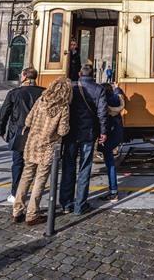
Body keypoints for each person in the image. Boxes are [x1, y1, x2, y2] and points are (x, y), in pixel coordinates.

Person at [59, 64, 119, 214]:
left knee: (68, 167)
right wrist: (103, 132)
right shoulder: (98, 89)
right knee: (85, 168)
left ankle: (66, 204)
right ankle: (80, 205)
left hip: (71, 133)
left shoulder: (71, 87)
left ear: (79, 73)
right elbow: (102, 114)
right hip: (88, 134)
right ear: (93, 75)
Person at [12, 77, 71, 226]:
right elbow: (63, 131)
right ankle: (32, 214)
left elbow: (28, 121)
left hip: (32, 143)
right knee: (40, 180)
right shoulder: (63, 107)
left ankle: (17, 210)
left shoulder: (41, 100)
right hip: (48, 147)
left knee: (26, 176)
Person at [0, 67, 45, 204]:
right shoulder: (44, 93)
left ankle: (15, 192)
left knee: (18, 163)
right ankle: (34, 192)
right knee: (35, 164)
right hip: (38, 133)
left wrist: (1, 130)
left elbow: (4, 113)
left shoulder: (14, 93)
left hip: (18, 133)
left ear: (24, 76)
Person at [100, 82, 125, 202]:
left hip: (107, 136)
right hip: (118, 134)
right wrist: (117, 88)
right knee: (110, 162)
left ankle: (113, 191)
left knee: (110, 163)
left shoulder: (104, 103)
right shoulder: (117, 99)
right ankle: (113, 191)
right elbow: (119, 96)